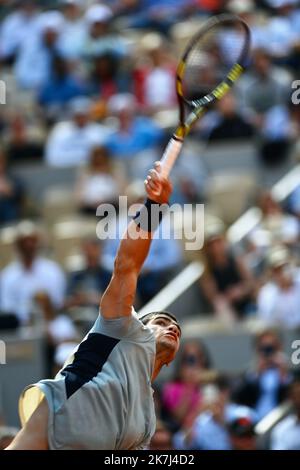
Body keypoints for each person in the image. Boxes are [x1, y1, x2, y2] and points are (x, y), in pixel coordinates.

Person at [6, 162, 182, 450]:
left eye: (175, 327)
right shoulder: (122, 327)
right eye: (161, 321)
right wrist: (155, 207)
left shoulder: (147, 417)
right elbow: (127, 265)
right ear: (140, 323)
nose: (172, 326)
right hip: (55, 417)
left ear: (170, 361)